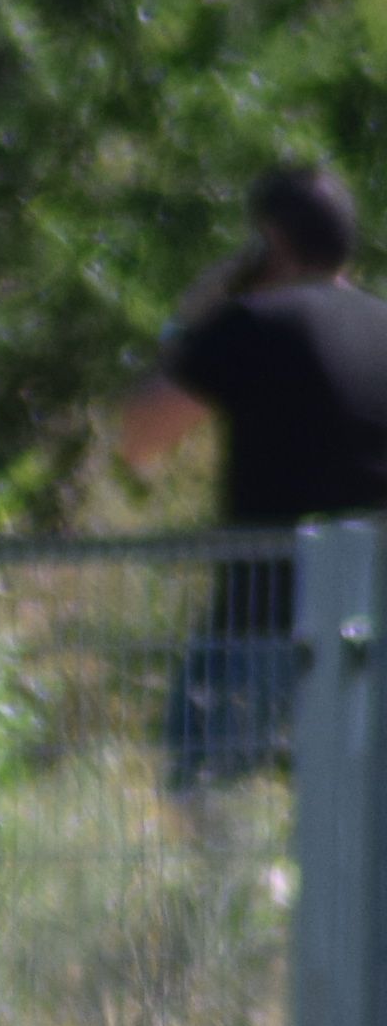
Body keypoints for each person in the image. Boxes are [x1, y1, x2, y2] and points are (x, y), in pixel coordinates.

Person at [115, 159, 387, 789]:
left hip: (266, 620)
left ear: (269, 241)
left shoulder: (254, 326)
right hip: (374, 614)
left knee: (200, 792)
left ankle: (233, 891)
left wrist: (192, 322)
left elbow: (139, 437)